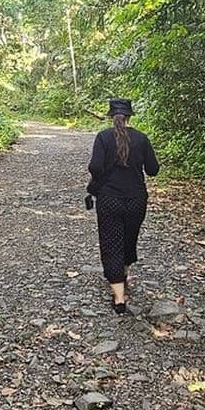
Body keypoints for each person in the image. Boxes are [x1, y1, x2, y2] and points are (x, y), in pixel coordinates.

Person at [87, 98, 160, 313]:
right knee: (129, 238)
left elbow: (95, 167)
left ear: (111, 117)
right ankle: (124, 274)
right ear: (129, 117)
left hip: (109, 199)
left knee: (111, 242)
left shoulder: (103, 137)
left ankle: (119, 298)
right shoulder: (141, 138)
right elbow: (153, 170)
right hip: (136, 199)